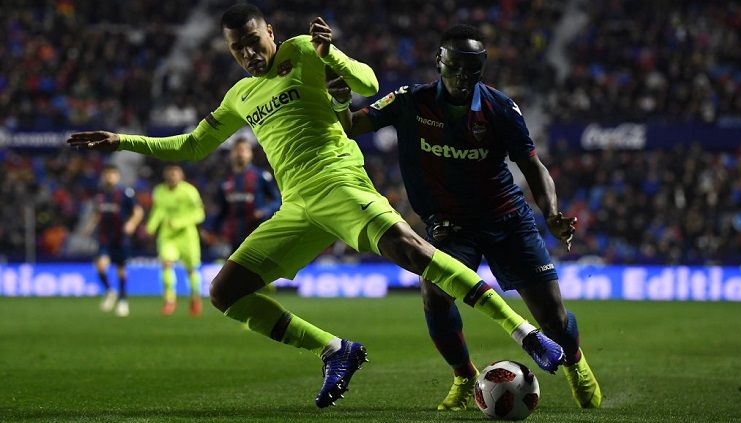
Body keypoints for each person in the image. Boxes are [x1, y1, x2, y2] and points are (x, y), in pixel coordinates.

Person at [67, 4, 563, 409]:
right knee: (227, 292)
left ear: (270, 33)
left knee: (415, 255)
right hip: (297, 206)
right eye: (236, 47)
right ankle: (336, 350)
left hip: (337, 183)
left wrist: (335, 57)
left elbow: (367, 84)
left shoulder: (304, 50)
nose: (247, 53)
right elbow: (192, 146)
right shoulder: (239, 95)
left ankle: (525, 334)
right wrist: (122, 141)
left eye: (254, 41)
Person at [328, 24, 602, 410]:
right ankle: (464, 376)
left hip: (507, 220)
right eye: (454, 66)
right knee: (434, 293)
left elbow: (533, 165)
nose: (461, 77)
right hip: (452, 226)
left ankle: (575, 362)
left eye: (471, 70)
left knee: (553, 320)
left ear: (481, 69)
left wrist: (552, 213)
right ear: (439, 61)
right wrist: (341, 102)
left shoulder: (501, 109)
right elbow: (353, 125)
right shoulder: (410, 101)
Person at [82, 164, 143, 317]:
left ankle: (123, 301)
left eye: (112, 174)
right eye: (107, 174)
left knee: (121, 270)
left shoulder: (124, 193)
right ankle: (110, 291)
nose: (110, 177)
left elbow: (138, 211)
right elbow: (97, 213)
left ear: (117, 176)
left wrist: (132, 223)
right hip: (104, 236)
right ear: (103, 176)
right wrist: (89, 226)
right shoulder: (100, 194)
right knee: (100, 265)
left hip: (120, 236)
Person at [146, 165, 206, 316]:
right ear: (166, 176)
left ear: (181, 176)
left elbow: (199, 214)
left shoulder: (189, 191)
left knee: (191, 269)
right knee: (166, 264)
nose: (172, 177)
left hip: (187, 235)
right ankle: (169, 299)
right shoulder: (159, 191)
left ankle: (195, 298)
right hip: (167, 235)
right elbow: (158, 210)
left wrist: (180, 222)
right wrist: (151, 226)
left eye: (175, 174)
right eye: (170, 174)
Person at [213, 137, 280, 251]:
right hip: (234, 237)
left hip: (257, 232)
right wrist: (213, 229)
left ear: (250, 154)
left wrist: (264, 211)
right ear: (231, 154)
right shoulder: (225, 180)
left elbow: (277, 200)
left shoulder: (261, 176)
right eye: (237, 150)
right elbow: (222, 210)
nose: (240, 153)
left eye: (244, 150)